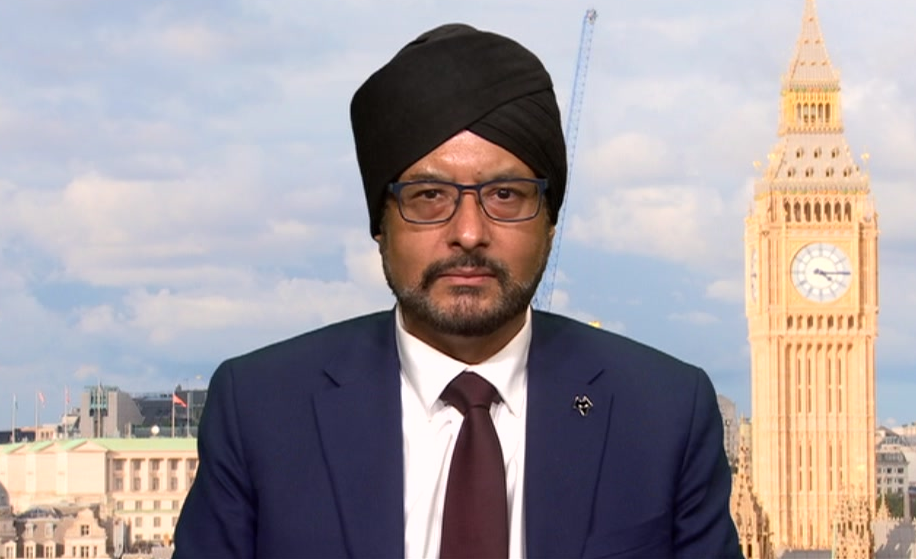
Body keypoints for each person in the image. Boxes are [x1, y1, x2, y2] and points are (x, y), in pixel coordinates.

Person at [174, 23, 742, 559]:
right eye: (428, 197)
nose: (469, 233)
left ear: (550, 221)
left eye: (505, 195)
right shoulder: (260, 411)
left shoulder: (664, 414)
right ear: (380, 222)